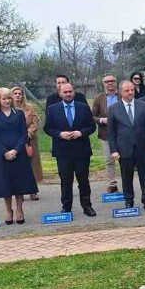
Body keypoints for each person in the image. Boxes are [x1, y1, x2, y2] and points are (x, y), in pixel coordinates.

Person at [0, 88, 38, 225]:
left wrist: (16, 150)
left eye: (9, 98)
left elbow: (23, 134)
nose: (7, 101)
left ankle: (20, 209)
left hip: (19, 153)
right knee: (6, 184)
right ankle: (8, 210)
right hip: (2, 155)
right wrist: (5, 152)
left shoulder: (19, 114)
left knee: (19, 183)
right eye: (4, 99)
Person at [44, 83, 97, 217]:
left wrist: (81, 132)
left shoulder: (83, 107)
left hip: (81, 150)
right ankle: (66, 207)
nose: (68, 94)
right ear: (60, 94)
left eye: (70, 91)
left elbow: (92, 126)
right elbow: (47, 128)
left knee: (83, 180)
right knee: (66, 181)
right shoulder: (52, 109)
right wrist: (59, 134)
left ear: (74, 92)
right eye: (65, 92)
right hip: (63, 151)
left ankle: (87, 206)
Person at [108, 81, 145, 210]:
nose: (130, 92)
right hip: (124, 148)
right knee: (126, 177)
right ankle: (129, 200)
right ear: (121, 92)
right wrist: (113, 150)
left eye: (132, 90)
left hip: (143, 147)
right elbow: (111, 132)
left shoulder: (144, 106)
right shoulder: (113, 109)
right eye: (127, 90)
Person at [91, 74, 120, 193]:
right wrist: (102, 120)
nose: (110, 83)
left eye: (112, 81)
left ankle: (127, 182)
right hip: (106, 133)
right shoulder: (99, 98)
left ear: (116, 82)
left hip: (123, 132)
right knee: (109, 159)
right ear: (104, 84)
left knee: (125, 159)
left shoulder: (122, 96)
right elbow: (92, 116)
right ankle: (112, 184)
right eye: (107, 81)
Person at [12, 87, 43, 201]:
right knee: (18, 167)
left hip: (30, 140)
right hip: (14, 141)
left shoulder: (29, 108)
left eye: (20, 93)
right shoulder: (8, 109)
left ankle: (33, 191)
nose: (17, 95)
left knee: (32, 166)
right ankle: (20, 192)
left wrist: (28, 133)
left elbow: (35, 122)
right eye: (15, 93)